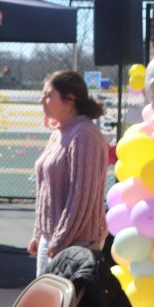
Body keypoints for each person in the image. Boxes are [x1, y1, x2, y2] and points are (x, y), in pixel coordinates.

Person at [28, 70, 108, 276]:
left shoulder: (84, 134)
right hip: (54, 241)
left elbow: (81, 196)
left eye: (48, 95)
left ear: (70, 99)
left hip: (76, 246)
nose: (41, 100)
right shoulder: (59, 132)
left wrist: (59, 243)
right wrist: (39, 234)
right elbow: (46, 189)